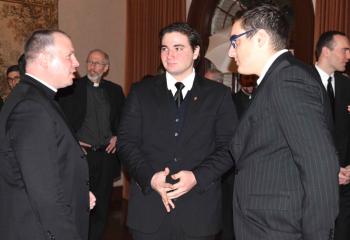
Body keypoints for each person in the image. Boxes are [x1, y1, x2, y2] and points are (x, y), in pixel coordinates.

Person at [228, 4, 339, 240]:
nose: (230, 52)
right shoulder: (276, 78)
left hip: (277, 229)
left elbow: (320, 165)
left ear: (259, 38)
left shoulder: (287, 79)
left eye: (235, 41)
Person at [118, 22, 237, 240]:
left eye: (178, 48)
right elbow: (126, 142)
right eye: (164, 48)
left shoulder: (218, 95)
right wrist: (151, 178)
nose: (169, 55)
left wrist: (196, 177)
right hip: (149, 210)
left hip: (199, 212)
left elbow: (229, 148)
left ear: (196, 52)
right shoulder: (141, 92)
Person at [0, 29, 95, 240]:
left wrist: (77, 192)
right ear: (44, 59)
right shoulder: (31, 107)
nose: (77, 62)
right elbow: (44, 193)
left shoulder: (36, 97)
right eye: (69, 55)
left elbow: (48, 164)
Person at [58, 49, 125, 240]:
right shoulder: (71, 87)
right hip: (82, 155)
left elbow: (124, 119)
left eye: (98, 63)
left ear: (106, 68)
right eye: (90, 62)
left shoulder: (115, 91)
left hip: (106, 156)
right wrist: (72, 142)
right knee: (79, 202)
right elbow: (59, 119)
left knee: (102, 204)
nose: (93, 66)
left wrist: (117, 136)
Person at [314, 30, 350, 240]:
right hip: (312, 186)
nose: (348, 56)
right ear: (326, 51)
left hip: (345, 184)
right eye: (344, 50)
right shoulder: (301, 82)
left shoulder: (347, 86)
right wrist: (328, 170)